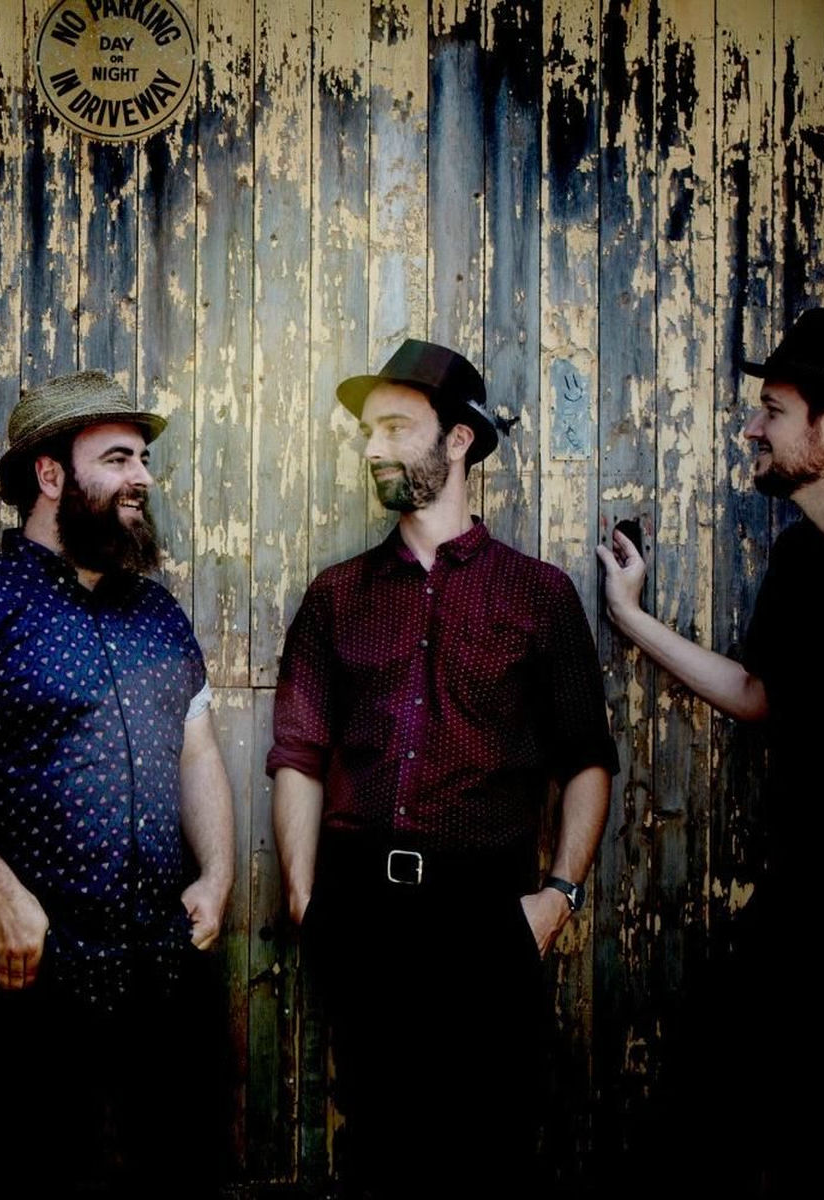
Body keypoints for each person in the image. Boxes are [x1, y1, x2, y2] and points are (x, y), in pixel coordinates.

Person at [0, 370, 234, 1197]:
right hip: (39, 975)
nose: (142, 477)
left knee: (186, 1171)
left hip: (170, 969)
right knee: (44, 1174)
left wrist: (216, 875)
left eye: (143, 459)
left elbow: (198, 752)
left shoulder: (158, 615)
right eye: (118, 458)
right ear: (50, 474)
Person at [269, 338, 617, 1194]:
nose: (372, 446)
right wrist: (307, 897)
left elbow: (586, 759)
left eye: (394, 426)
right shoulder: (335, 596)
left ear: (458, 440)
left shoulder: (538, 595)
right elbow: (299, 755)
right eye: (367, 430)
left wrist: (559, 897)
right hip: (362, 911)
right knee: (379, 1152)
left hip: (486, 913)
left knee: (488, 1151)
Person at [597, 306, 824, 1193]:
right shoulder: (801, 564)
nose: (750, 429)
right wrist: (629, 617)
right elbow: (757, 694)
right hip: (807, 901)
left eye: (772, 411)